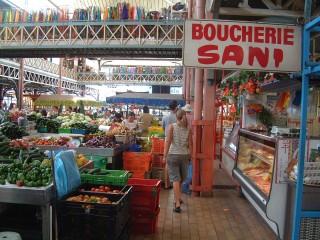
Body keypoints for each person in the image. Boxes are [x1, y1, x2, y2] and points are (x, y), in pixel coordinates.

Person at [163, 109, 193, 213]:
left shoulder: (172, 126)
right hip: (185, 155)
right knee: (180, 179)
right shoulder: (188, 128)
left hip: (173, 155)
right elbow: (191, 144)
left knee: (175, 179)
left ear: (177, 117)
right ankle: (178, 198)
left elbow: (168, 141)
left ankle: (177, 203)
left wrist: (164, 155)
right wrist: (191, 156)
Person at [162, 100, 178, 189]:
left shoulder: (165, 117)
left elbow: (163, 128)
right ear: (176, 107)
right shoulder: (178, 117)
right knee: (175, 162)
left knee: (167, 163)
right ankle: (174, 183)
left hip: (167, 140)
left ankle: (166, 184)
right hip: (176, 141)